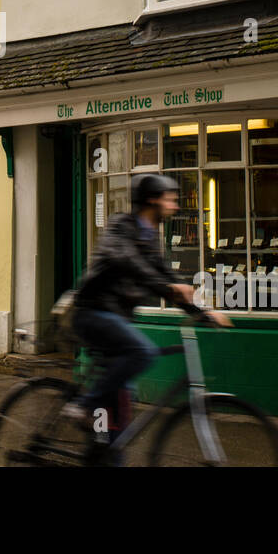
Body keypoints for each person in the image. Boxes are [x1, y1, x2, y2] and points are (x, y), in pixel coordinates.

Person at [63, 173, 230, 445]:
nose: (175, 206)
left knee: (121, 398)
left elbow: (165, 279)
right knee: (143, 352)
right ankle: (82, 405)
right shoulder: (121, 227)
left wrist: (201, 313)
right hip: (92, 313)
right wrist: (170, 288)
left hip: (116, 320)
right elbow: (128, 262)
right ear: (152, 200)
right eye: (171, 200)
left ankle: (103, 449)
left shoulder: (151, 237)